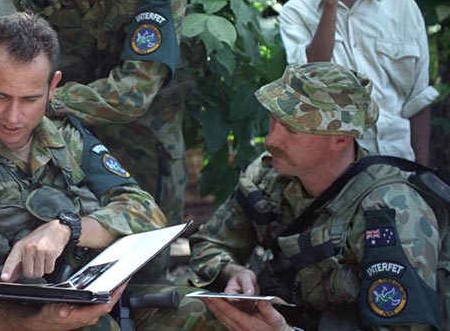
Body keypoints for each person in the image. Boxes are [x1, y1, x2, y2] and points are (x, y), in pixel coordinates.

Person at [0, 13, 213, 331]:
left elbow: (146, 213)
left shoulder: (64, 135)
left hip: (94, 301)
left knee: (212, 314)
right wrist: (37, 324)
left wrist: (68, 228)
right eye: (0, 97)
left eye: (30, 99)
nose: (13, 116)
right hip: (12, 321)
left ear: (53, 85)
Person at [188, 62, 445, 330]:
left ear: (340, 139)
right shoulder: (269, 176)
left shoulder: (391, 213)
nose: (271, 141)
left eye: (292, 130)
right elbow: (209, 244)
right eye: (274, 121)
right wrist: (235, 271)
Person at [6, 0, 193, 225]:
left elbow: (134, 94)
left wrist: (48, 101)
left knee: (144, 243)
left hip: (143, 131)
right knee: (58, 234)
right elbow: (26, 56)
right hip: (64, 133)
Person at [278, 0, 438, 165]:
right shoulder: (296, 12)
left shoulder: (401, 5)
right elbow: (309, 82)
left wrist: (421, 176)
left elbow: (418, 101)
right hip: (334, 174)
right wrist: (330, 0)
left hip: (398, 167)